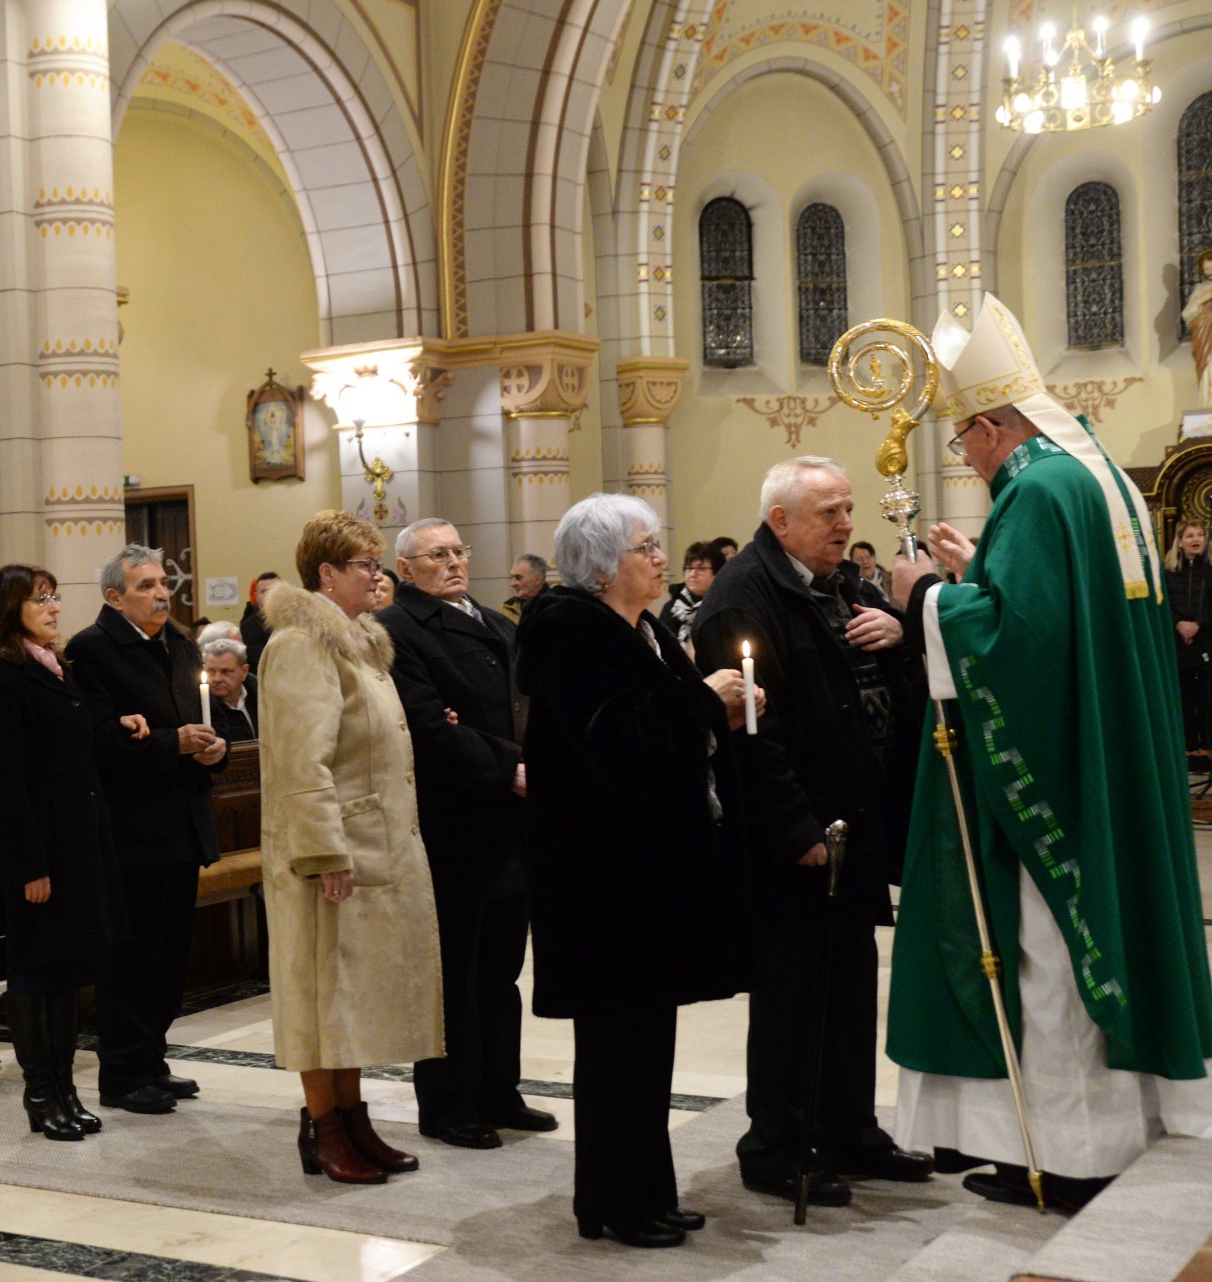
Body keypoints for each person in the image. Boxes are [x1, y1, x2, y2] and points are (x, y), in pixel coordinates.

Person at [886, 294, 1212, 1212]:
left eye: (965, 443)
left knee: (1049, 952)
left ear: (993, 425)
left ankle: (1071, 1153)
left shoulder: (1034, 486)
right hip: (1110, 754)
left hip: (1061, 767)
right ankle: (1089, 1137)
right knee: (1086, 943)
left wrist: (923, 598)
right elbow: (1059, 617)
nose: (970, 459)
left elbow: (1014, 642)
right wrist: (975, 572)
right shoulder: (1094, 470)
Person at [692, 456, 932, 1207]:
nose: (846, 524)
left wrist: (897, 636)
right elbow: (749, 735)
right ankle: (778, 1144)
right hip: (795, 836)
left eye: (849, 509)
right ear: (782, 520)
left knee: (851, 982)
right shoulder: (743, 597)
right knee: (794, 993)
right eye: (829, 511)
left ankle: (850, 1127)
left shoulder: (841, 587)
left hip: (853, 823)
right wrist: (796, 827)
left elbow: (875, 684)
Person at [522, 493, 756, 1247]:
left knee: (647, 1045)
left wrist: (710, 705)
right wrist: (707, 707)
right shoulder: (571, 635)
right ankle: (613, 1202)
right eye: (646, 549)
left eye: (658, 546)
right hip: (603, 882)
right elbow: (615, 746)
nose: (661, 560)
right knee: (617, 1050)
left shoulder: (642, 628)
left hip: (647, 875)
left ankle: (648, 1189)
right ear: (601, 566)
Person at [259, 509, 442, 1184]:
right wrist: (324, 852)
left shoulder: (358, 641)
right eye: (365, 564)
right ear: (327, 574)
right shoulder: (303, 644)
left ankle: (355, 1118)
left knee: (353, 994)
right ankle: (323, 1128)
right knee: (320, 992)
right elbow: (303, 762)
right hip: (328, 852)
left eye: (377, 562)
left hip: (372, 841)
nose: (378, 575)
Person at [379, 517, 546, 1150]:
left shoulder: (496, 622)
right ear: (406, 568)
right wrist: (509, 766)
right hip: (455, 821)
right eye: (435, 555)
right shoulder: (398, 630)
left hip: (511, 820)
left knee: (502, 970)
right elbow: (427, 726)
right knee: (454, 972)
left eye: (457, 551)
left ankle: (500, 1091)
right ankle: (448, 1104)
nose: (452, 563)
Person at [66, 545, 226, 1114]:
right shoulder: (91, 651)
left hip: (181, 825)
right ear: (114, 597)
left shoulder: (178, 645)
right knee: (131, 961)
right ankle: (122, 1073)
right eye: (145, 586)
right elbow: (95, 745)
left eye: (163, 583)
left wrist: (214, 750)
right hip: (132, 831)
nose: (162, 593)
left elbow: (203, 723)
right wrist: (171, 743)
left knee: (168, 959)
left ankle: (152, 1059)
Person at [0, 564, 127, 1140]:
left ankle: (66, 1087)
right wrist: (30, 864)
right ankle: (40, 1094)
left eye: (55, 596)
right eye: (40, 599)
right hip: (38, 853)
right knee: (35, 973)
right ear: (9, 610)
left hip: (78, 845)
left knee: (68, 972)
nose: (54, 607)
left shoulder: (59, 669)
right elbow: (4, 784)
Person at [1166, 521, 1212, 754]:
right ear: (1180, 541)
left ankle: (1207, 750)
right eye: (1190, 535)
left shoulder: (1209, 571)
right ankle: (1190, 751)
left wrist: (1197, 624)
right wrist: (1179, 624)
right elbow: (1162, 604)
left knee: (1207, 702)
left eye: (1200, 535)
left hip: (1205, 642)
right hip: (1178, 644)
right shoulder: (1169, 572)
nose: (1196, 539)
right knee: (1184, 701)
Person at [658, 541, 723, 651]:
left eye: (701, 568)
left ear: (717, 573)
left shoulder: (722, 606)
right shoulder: (672, 608)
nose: (692, 574)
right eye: (689, 568)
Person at [201, 638, 257, 742]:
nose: (217, 679)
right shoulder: (198, 704)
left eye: (226, 671)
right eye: (211, 671)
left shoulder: (259, 695)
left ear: (244, 671)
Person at [1183, 249, 1212, 408]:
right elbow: (1187, 314)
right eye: (1206, 269)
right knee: (1209, 369)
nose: (1209, 272)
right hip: (1206, 337)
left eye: (1211, 268)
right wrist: (1202, 300)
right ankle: (1209, 402)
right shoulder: (1201, 289)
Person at [240, 571, 280, 670]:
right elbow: (261, 659)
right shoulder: (249, 626)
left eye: (275, 590)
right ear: (257, 596)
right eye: (264, 591)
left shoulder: (294, 620)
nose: (270, 595)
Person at [500, 553, 548, 625]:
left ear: (537, 579)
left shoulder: (558, 608)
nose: (512, 583)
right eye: (512, 577)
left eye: (518, 578)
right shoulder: (506, 609)